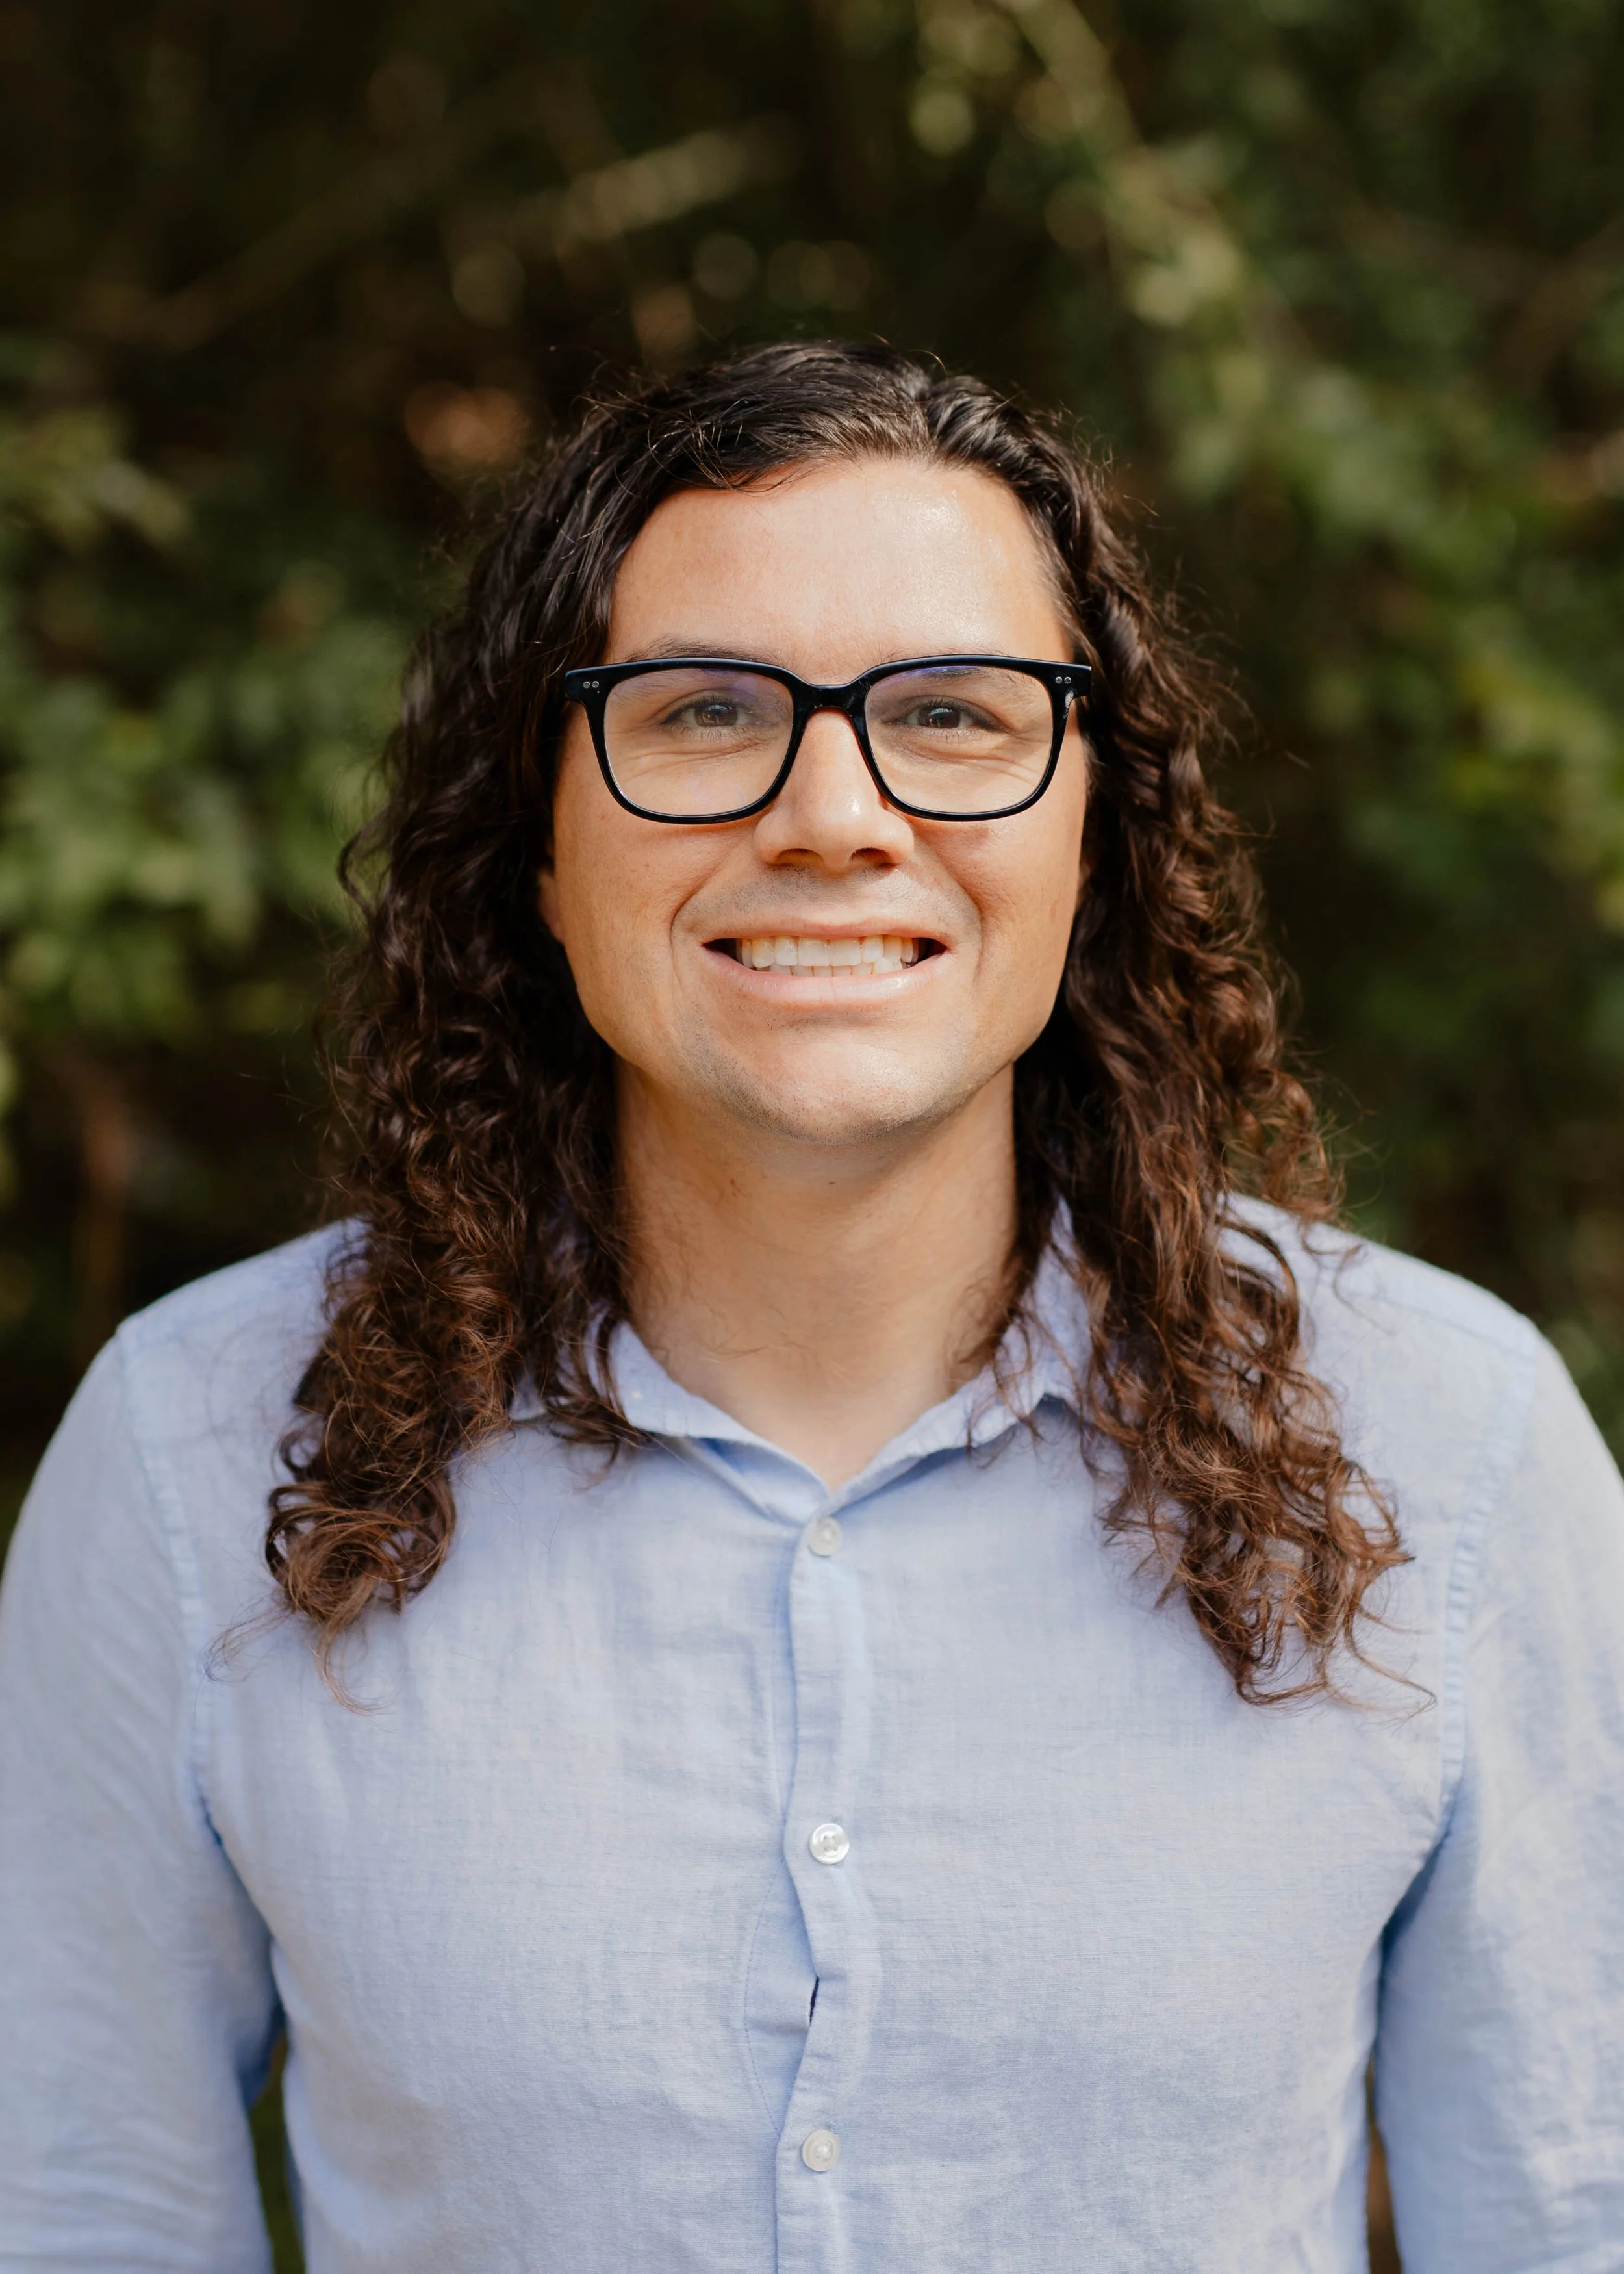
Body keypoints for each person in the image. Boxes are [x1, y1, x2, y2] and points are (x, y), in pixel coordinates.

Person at [1, 342, 1621, 2274]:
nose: (834, 813)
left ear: (1086, 819)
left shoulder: (1448, 1443)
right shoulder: (194, 1459)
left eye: (950, 711)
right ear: (536, 830)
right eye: (702, 712)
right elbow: (75, 2210)